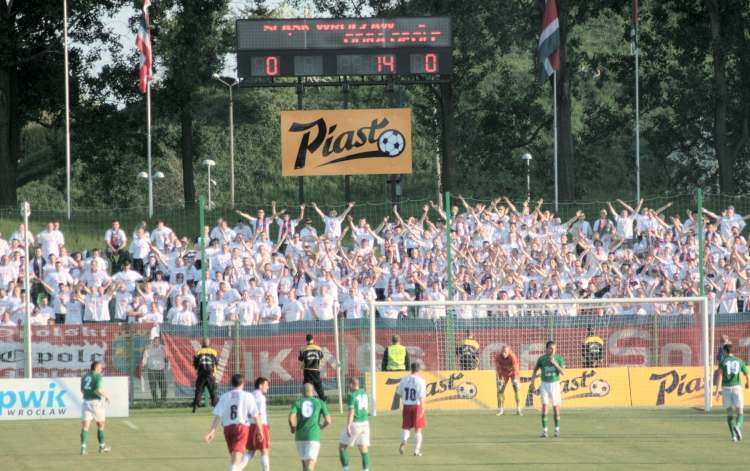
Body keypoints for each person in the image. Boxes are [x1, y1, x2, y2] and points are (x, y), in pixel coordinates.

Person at [204, 374, 265, 471]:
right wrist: (260, 431)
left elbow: (218, 415)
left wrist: (212, 431)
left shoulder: (224, 396)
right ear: (243, 383)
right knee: (236, 461)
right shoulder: (248, 396)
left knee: (234, 458)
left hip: (228, 429)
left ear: (231, 384)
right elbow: (256, 415)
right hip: (241, 429)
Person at [289, 383, 332, 471]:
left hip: (299, 438)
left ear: (302, 392)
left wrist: (293, 428)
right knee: (310, 466)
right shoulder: (320, 402)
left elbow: (291, 418)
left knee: (305, 466)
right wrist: (322, 427)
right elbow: (328, 420)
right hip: (313, 437)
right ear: (313, 391)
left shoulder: (297, 403)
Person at [714, 344, 749, 441]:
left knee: (729, 413)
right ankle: (737, 426)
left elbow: (719, 376)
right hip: (737, 388)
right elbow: (746, 374)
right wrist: (748, 384)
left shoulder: (723, 361)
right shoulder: (739, 361)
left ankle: (733, 436)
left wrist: (717, 391)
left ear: (725, 351)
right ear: (733, 351)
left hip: (726, 389)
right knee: (740, 411)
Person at [532, 340, 565, 438]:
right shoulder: (541, 359)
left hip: (555, 385)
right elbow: (535, 371)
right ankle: (545, 431)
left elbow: (563, 372)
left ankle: (557, 430)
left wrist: (555, 363)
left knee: (556, 408)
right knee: (545, 407)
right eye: (551, 348)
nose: (553, 350)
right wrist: (532, 382)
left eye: (554, 348)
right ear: (547, 349)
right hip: (545, 385)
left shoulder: (559, 358)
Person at [338, 377, 371, 471]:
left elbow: (351, 411)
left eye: (349, 384)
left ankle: (346, 469)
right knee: (363, 449)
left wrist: (348, 425)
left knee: (342, 447)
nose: (348, 386)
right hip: (365, 423)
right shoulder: (364, 393)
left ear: (352, 384)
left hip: (356, 424)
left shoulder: (352, 395)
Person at [80, 361, 112, 455]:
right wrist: (107, 396)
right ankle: (102, 447)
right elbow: (98, 389)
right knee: (101, 426)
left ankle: (83, 448)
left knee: (85, 427)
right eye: (100, 368)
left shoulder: (85, 376)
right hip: (95, 403)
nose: (101, 369)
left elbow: (82, 390)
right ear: (96, 368)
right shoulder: (98, 376)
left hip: (85, 402)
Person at [396, 362, 427, 457]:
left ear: (411, 369)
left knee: (406, 427)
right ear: (418, 370)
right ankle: (416, 451)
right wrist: (422, 410)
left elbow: (399, 393)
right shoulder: (421, 381)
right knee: (418, 429)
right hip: (416, 406)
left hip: (406, 406)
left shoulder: (404, 379)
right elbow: (422, 397)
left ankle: (404, 441)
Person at [248, 377, 271, 471]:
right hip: (260, 425)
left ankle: (237, 467)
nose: (268, 387)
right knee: (264, 449)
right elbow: (259, 414)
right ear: (260, 386)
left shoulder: (250, 395)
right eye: (266, 385)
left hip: (250, 425)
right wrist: (261, 430)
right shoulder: (261, 398)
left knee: (251, 451)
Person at [193, 338, 219, 413]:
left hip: (201, 374)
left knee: (199, 391)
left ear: (202, 343)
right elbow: (216, 363)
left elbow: (195, 363)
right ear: (209, 343)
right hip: (210, 375)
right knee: (213, 391)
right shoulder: (214, 352)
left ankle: (195, 406)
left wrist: (198, 369)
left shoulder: (198, 352)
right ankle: (216, 407)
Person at [494, 345, 522, 416]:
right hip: (503, 373)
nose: (504, 353)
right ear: (501, 351)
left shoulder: (512, 356)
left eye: (505, 352)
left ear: (508, 352)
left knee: (516, 388)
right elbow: (498, 368)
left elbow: (515, 368)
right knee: (500, 389)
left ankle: (518, 409)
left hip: (513, 373)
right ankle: (501, 410)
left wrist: (515, 378)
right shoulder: (498, 357)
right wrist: (500, 378)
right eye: (503, 352)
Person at [299, 334, 326, 401]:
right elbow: (321, 358)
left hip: (307, 371)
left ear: (306, 340)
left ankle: (306, 403)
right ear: (312, 339)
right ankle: (323, 402)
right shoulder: (318, 348)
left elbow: (300, 359)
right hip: (316, 370)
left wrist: (301, 367)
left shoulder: (303, 349)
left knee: (307, 389)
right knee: (319, 388)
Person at [141, 337, 168, 403]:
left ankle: (163, 401)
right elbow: (145, 358)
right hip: (151, 370)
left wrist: (165, 351)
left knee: (163, 386)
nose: (156, 343)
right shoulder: (148, 348)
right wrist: (143, 365)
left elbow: (167, 359)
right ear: (153, 342)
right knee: (153, 386)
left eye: (158, 342)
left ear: (160, 342)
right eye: (155, 341)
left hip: (161, 369)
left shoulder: (163, 348)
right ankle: (155, 401)